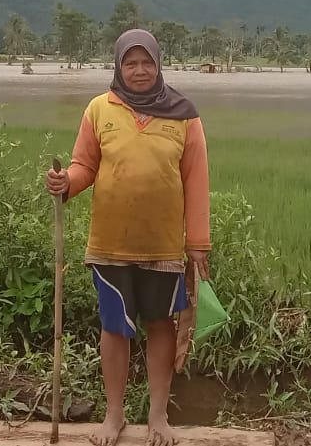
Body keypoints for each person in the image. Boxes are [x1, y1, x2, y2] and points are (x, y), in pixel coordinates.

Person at [45, 28, 211, 446]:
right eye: (130, 63)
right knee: (115, 327)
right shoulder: (100, 109)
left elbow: (196, 181)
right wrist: (67, 183)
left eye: (147, 62)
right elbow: (86, 164)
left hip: (164, 245)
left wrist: (198, 244)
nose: (139, 70)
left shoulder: (184, 115)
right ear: (118, 66)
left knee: (160, 324)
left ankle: (158, 417)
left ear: (159, 64)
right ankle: (113, 415)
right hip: (110, 243)